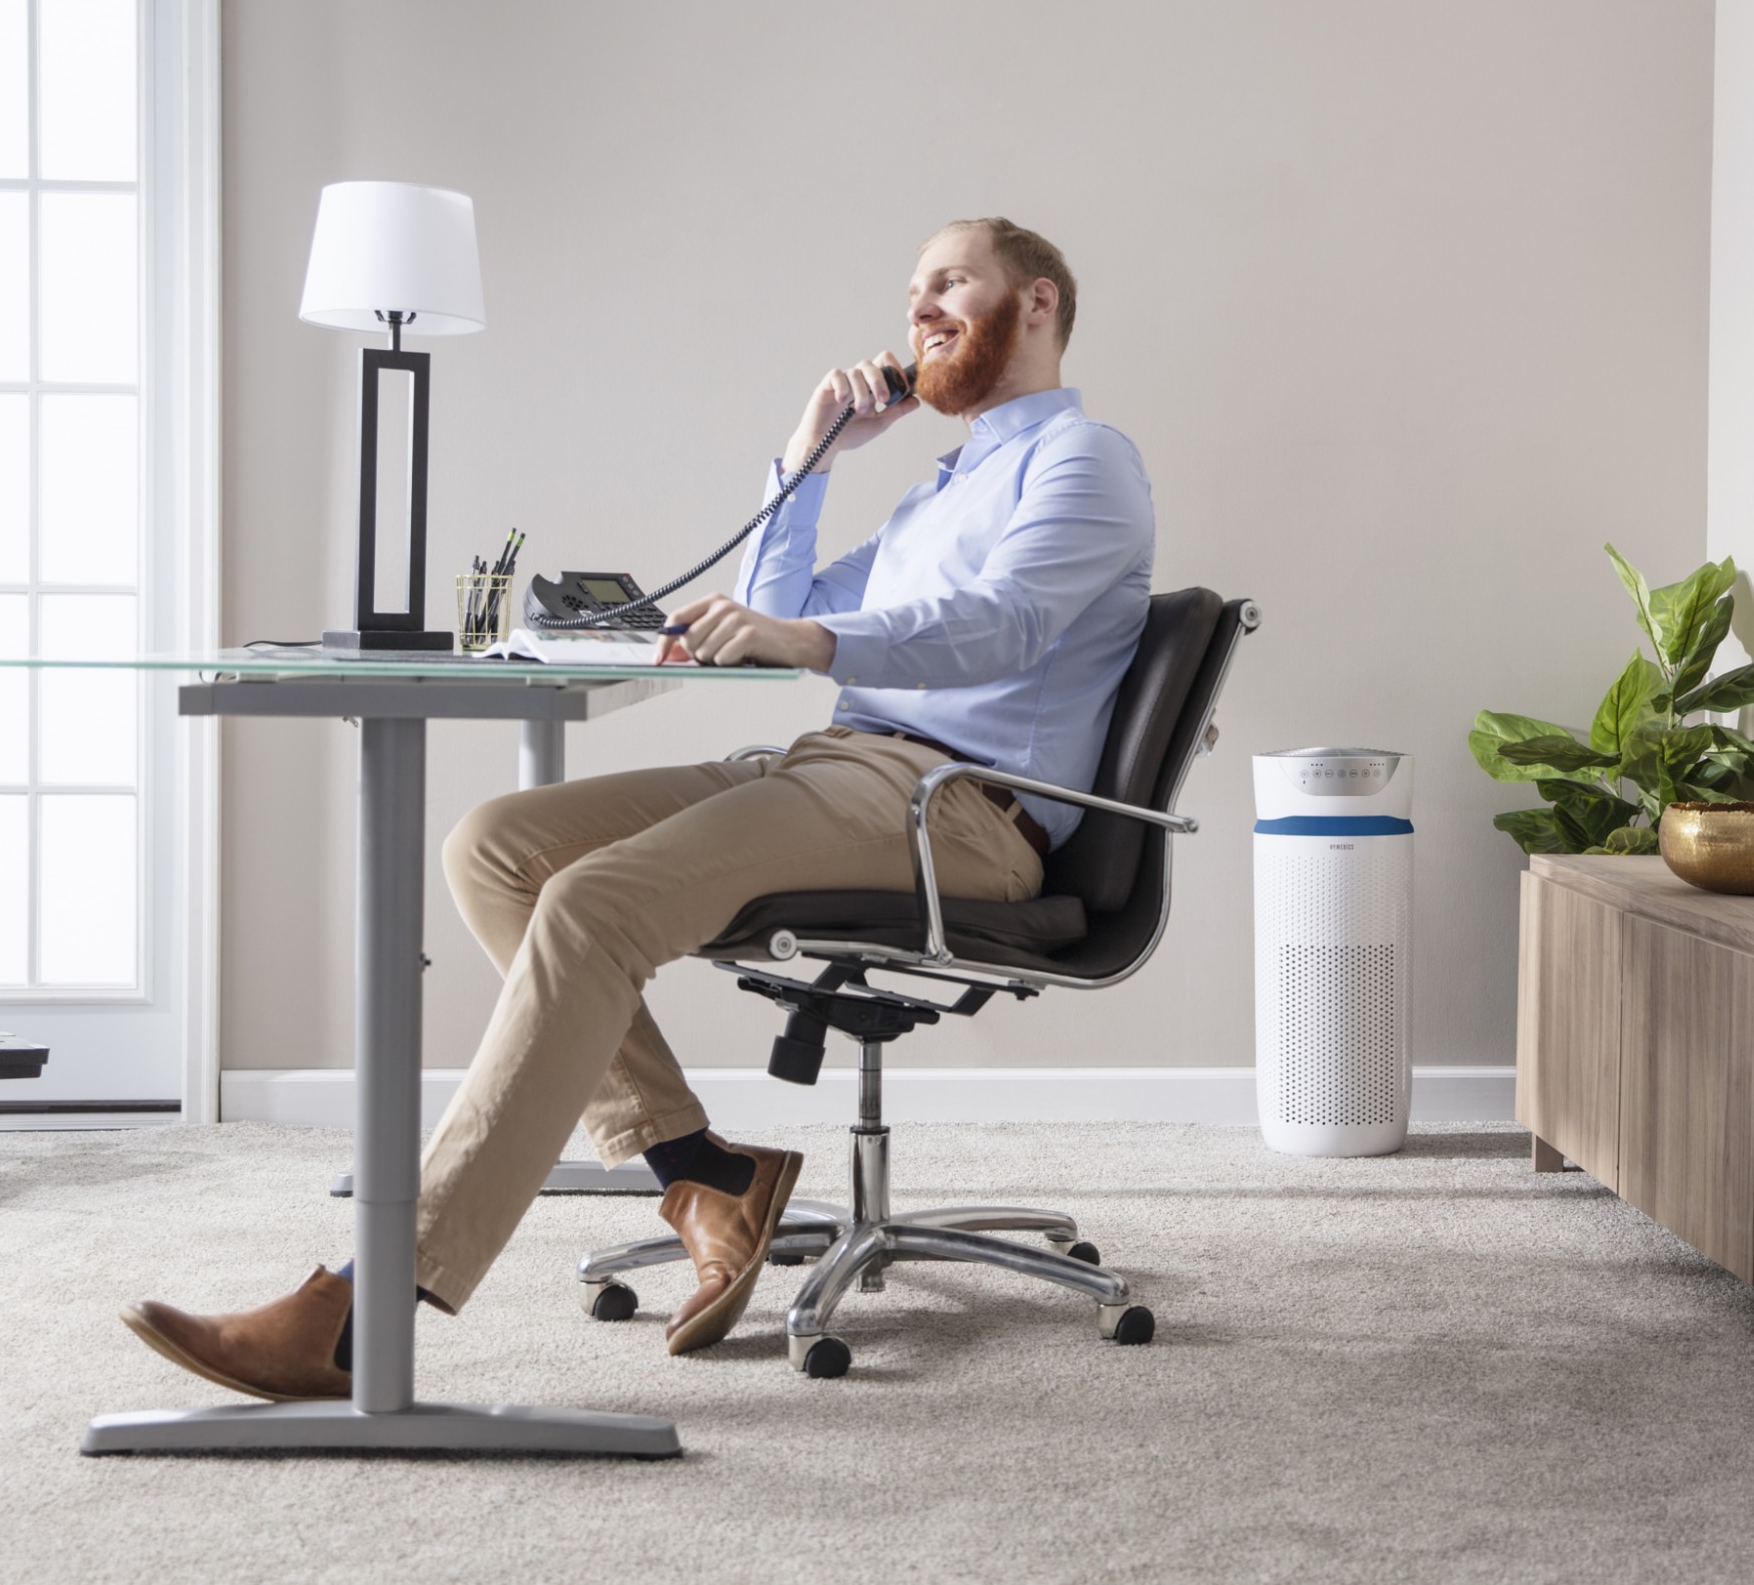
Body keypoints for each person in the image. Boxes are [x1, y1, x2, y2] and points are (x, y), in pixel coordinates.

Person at [120, 217, 1157, 1400]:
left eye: (948, 281)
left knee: (593, 902)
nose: (917, 306)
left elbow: (1002, 625)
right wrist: (812, 458)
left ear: (1034, 301)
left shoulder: (1083, 461)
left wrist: (810, 640)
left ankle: (370, 1300)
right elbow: (771, 609)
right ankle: (699, 1164)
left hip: (954, 812)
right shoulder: (944, 484)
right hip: (838, 765)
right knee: (497, 847)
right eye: (911, 287)